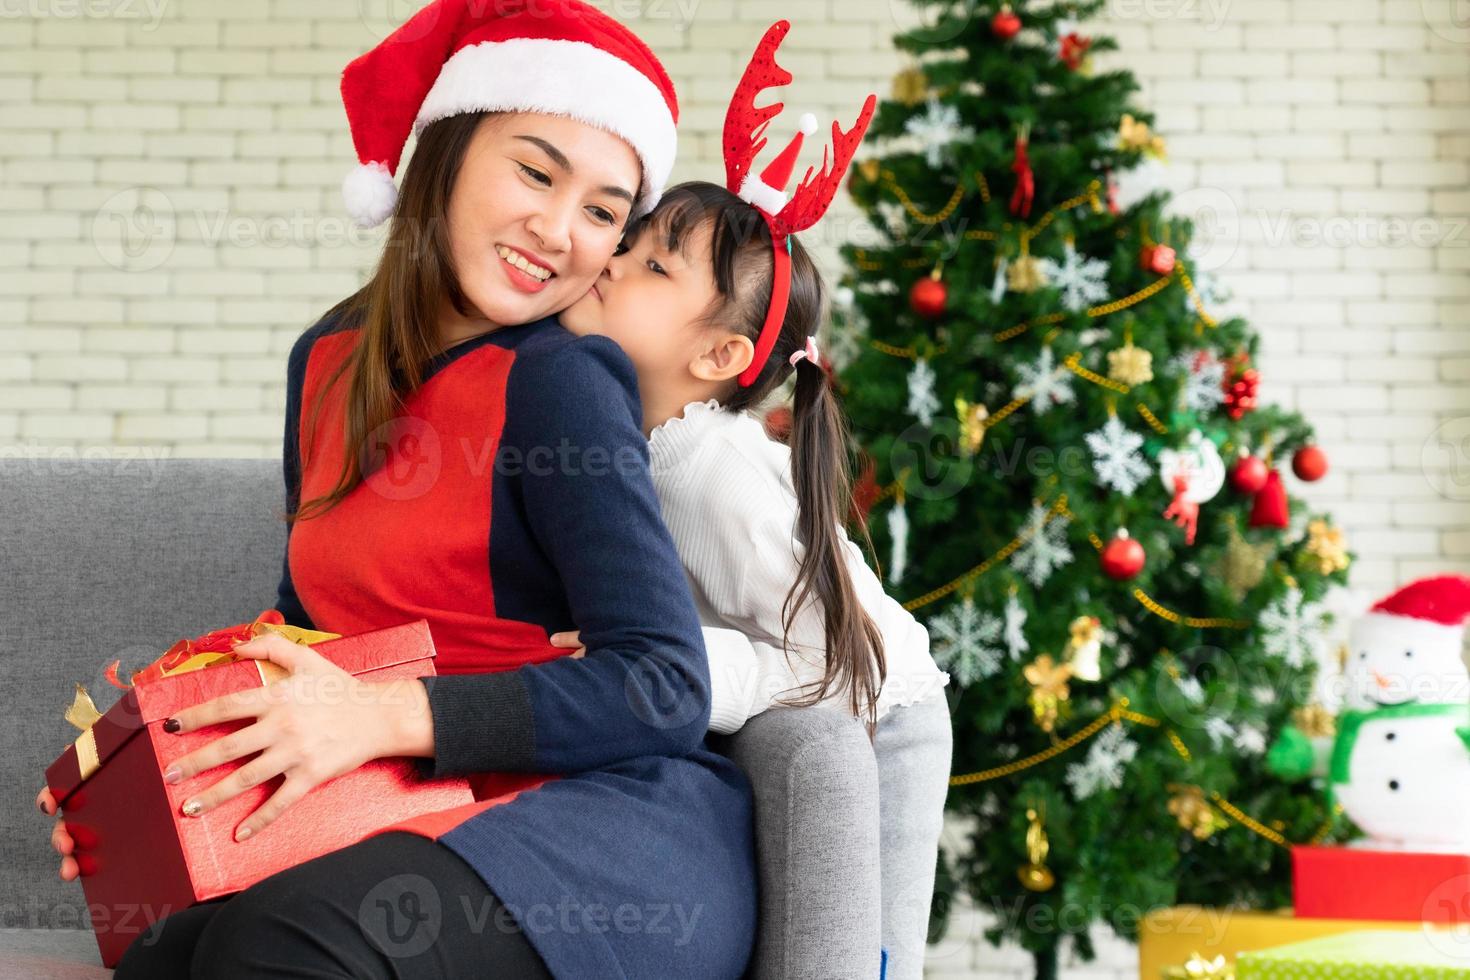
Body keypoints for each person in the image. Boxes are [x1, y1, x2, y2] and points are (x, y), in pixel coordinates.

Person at [38, 2, 760, 977]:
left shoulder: (560, 382)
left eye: (603, 210)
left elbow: (663, 686)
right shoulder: (327, 359)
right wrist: (152, 781)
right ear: (448, 154)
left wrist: (384, 717)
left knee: (279, 947)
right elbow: (318, 631)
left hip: (605, 827)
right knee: (166, 948)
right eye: (535, 171)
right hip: (416, 798)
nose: (558, 229)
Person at [545, 29, 953, 978]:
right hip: (834, 697)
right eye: (636, 239)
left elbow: (826, 659)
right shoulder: (631, 437)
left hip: (889, 724)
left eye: (654, 265)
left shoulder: (708, 473)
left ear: (720, 359)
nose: (614, 256)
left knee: (877, 963)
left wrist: (680, 663)